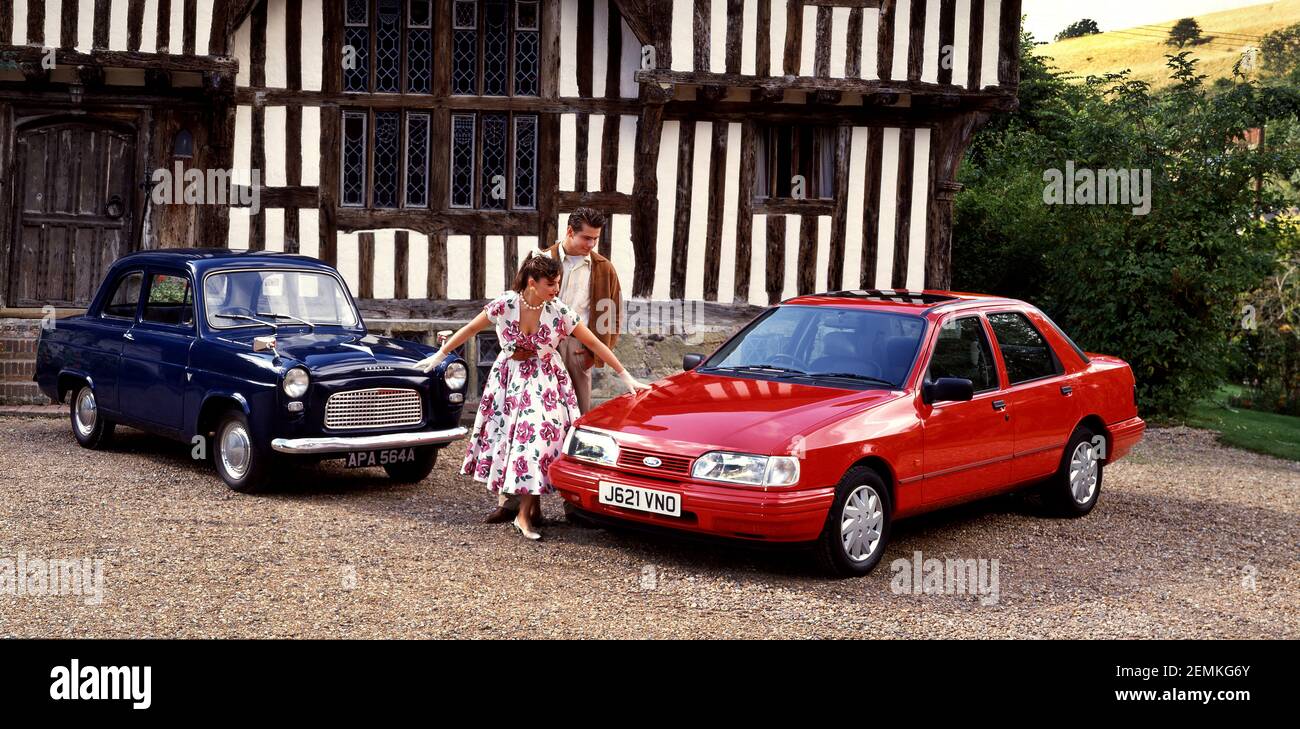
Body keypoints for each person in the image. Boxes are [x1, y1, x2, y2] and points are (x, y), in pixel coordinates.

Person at [413, 253, 650, 541]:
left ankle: (524, 516)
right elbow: (471, 329)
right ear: (531, 282)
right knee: (510, 440)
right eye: (551, 284)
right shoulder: (506, 304)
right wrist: (440, 355)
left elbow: (593, 342)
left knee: (534, 437)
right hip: (508, 380)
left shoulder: (559, 311)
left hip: (545, 381)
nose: (556, 289)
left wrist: (625, 376)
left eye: (558, 283)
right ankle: (526, 510)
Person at [485, 208, 624, 525]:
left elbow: (612, 313)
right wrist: (516, 346)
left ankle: (575, 503)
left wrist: (593, 354)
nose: (591, 244)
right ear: (569, 231)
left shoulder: (604, 269)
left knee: (575, 427)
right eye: (586, 237)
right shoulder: (540, 258)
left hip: (576, 349)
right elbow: (517, 302)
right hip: (535, 351)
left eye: (596, 239)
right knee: (522, 423)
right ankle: (511, 502)